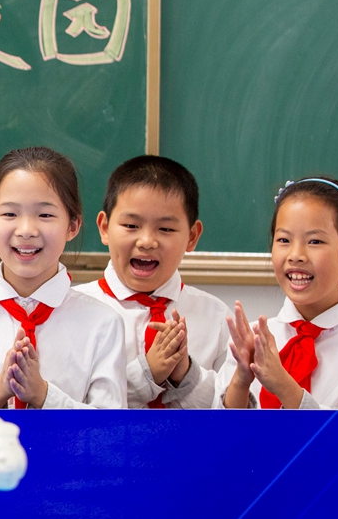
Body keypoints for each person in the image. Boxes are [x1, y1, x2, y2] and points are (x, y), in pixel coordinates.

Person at [0, 146, 126, 408]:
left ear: (72, 226)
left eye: (45, 215)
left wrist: (45, 396)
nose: (26, 230)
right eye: (10, 214)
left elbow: (108, 431)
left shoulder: (103, 324)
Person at [76, 155, 230, 408]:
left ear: (192, 236)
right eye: (131, 225)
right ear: (104, 228)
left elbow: (231, 417)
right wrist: (147, 375)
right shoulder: (76, 311)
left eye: (166, 229)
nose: (147, 241)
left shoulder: (216, 317)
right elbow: (67, 405)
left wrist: (185, 376)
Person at [219, 178, 338, 409]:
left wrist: (285, 387)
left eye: (315, 241)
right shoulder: (252, 339)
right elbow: (222, 437)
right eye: (284, 240)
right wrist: (241, 380)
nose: (296, 255)